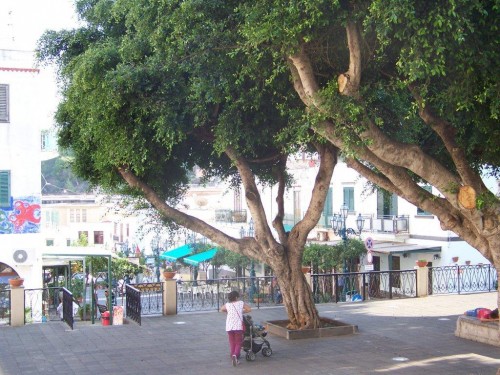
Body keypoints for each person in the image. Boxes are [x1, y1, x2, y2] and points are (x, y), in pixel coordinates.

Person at [221, 290, 251, 367]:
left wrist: (229, 312)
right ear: (236, 297)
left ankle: (232, 356)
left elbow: (221, 309)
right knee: (238, 343)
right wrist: (241, 312)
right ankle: (235, 355)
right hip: (237, 326)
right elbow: (249, 309)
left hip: (229, 326)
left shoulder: (227, 305)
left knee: (232, 342)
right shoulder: (240, 303)